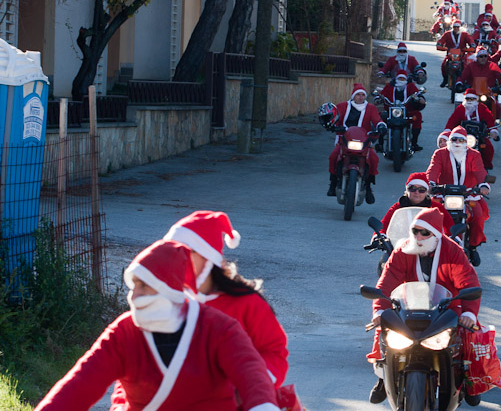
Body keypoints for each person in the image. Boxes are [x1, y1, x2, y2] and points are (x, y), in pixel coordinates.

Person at [35, 240, 280, 411]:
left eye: (144, 285)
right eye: (133, 286)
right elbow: (80, 383)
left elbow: (251, 373)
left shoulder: (218, 328)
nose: (134, 295)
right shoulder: (124, 332)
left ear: (168, 288)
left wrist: (263, 406)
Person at [108, 212, 292, 408]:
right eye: (171, 250)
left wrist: (249, 388)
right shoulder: (163, 300)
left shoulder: (247, 303)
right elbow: (135, 360)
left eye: (184, 251)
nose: (175, 258)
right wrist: (121, 405)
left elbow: (274, 353)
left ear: (207, 257)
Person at [367, 207, 481, 404]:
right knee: (384, 331)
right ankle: (383, 377)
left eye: (424, 232)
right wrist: (379, 310)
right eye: (415, 231)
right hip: (409, 306)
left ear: (435, 234)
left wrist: (469, 314)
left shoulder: (453, 251)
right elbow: (387, 281)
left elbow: (468, 282)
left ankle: (471, 382)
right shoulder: (403, 249)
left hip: (446, 308)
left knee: (469, 336)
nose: (418, 236)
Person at [426, 126, 491, 264]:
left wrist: (483, 185)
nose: (457, 143)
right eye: (454, 139)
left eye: (461, 140)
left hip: (467, 195)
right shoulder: (440, 153)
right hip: (443, 193)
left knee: (478, 216)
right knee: (429, 214)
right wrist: (430, 183)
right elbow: (433, 169)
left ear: (466, 142)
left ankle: (473, 247)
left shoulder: (474, 155)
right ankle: (427, 243)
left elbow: (480, 171)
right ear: (450, 140)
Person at [326, 84, 387, 202]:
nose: (360, 97)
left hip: (364, 141)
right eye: (358, 94)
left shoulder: (371, 108)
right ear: (353, 96)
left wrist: (381, 126)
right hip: (344, 140)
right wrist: (333, 125)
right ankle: (333, 183)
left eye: (363, 95)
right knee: (333, 156)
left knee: (374, 159)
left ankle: (368, 187)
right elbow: (335, 119)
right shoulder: (342, 106)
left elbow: (377, 120)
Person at [378, 172, 454, 237]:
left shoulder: (436, 207)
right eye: (412, 188)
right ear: (407, 190)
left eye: (422, 190)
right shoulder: (398, 207)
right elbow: (383, 225)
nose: (417, 192)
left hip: (430, 246)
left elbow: (450, 227)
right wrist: (379, 235)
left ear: (426, 192)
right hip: (402, 244)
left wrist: (453, 238)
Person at [445, 89, 499, 170]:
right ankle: (450, 166)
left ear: (476, 99)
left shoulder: (482, 108)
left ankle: (485, 167)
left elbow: (490, 120)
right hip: (463, 135)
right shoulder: (461, 108)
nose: (469, 101)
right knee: (451, 147)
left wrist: (493, 131)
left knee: (488, 147)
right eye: (467, 99)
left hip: (479, 134)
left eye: (472, 99)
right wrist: (447, 131)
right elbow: (452, 120)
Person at [378, 70, 426, 151]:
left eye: (403, 78)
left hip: (407, 112)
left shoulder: (411, 86)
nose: (401, 80)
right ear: (396, 78)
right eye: (399, 78)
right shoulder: (389, 86)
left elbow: (416, 94)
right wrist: (378, 98)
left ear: (406, 79)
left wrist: (420, 98)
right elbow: (382, 94)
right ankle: (380, 143)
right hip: (391, 112)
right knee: (380, 117)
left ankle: (414, 143)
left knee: (417, 116)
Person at [436, 21, 476, 87]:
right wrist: (440, 44)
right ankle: (445, 79)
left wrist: (472, 45)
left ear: (460, 27)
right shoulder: (447, 34)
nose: (456, 28)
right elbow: (441, 41)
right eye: (454, 27)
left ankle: (466, 80)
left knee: (467, 65)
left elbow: (471, 41)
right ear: (452, 27)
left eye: (457, 27)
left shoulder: (465, 34)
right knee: (443, 65)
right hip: (450, 55)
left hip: (461, 55)